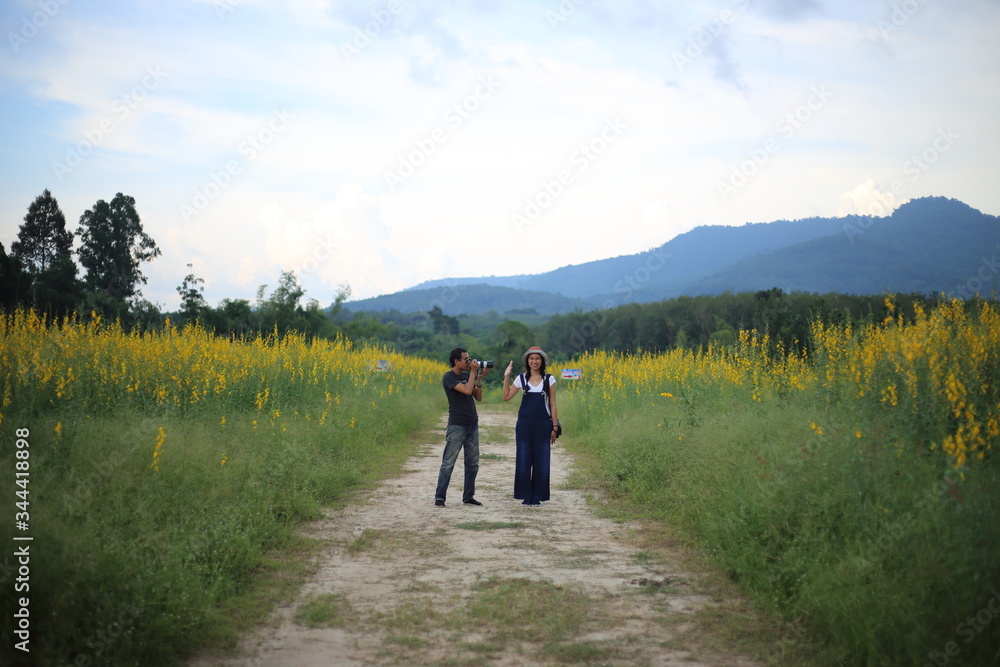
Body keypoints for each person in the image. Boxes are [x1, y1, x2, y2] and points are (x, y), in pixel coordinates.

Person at [502, 346, 558, 506]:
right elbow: (506, 397)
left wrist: (554, 427)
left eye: (537, 358)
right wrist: (507, 376)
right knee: (523, 459)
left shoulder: (549, 379)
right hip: (524, 426)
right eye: (531, 358)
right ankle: (525, 495)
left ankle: (538, 496)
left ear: (542, 361)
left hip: (543, 426)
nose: (534, 361)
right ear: (527, 361)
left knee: (542, 460)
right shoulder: (520, 379)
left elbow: (553, 404)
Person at [435, 348, 490, 508]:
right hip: (457, 425)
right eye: (466, 359)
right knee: (448, 462)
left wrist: (479, 378)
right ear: (456, 361)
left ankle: (468, 496)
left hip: (472, 423)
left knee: (472, 463)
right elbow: (466, 390)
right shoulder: (449, 377)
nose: (469, 362)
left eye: (469, 359)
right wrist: (473, 373)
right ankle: (440, 497)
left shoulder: (467, 375)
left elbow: (478, 397)